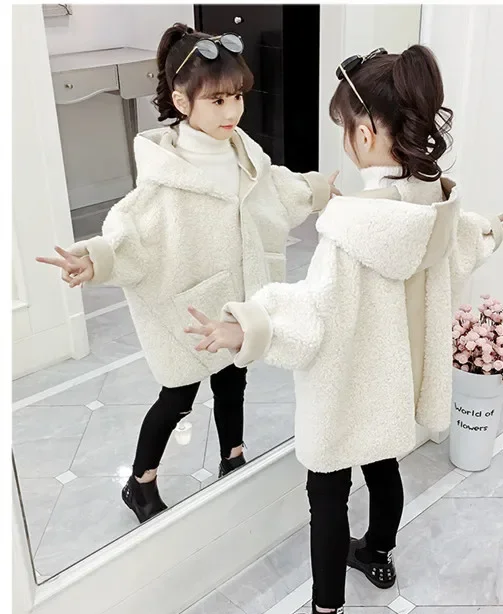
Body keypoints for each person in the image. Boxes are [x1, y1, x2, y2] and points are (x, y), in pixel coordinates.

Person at [186, 45, 503, 614]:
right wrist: (489, 229)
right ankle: (379, 556)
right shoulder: (433, 202)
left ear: (365, 133)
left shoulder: (352, 226)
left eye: (344, 127)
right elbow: (455, 249)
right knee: (384, 464)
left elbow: (315, 314)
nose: (345, 139)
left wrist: (249, 326)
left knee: (327, 494)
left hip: (349, 385)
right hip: (396, 378)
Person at [36, 23, 338, 524]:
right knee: (177, 398)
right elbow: (132, 229)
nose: (232, 110)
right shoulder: (167, 175)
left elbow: (275, 191)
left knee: (234, 382)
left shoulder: (244, 154)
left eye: (237, 96)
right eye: (217, 100)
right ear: (182, 101)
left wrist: (317, 190)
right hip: (191, 308)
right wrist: (97, 258)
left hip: (238, 299)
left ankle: (232, 455)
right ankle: (140, 481)